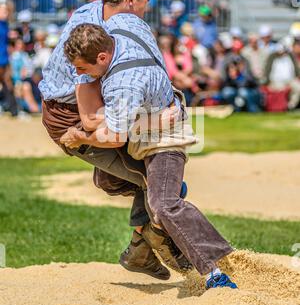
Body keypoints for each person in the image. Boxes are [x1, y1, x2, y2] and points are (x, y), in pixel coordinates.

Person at [39, 0, 191, 281]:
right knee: (160, 184)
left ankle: (139, 247)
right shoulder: (92, 36)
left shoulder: (99, 16)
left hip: (85, 111)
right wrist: (156, 119)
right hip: (71, 115)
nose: (149, 4)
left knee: (140, 177)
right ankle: (153, 249)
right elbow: (93, 118)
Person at [61, 19, 238, 290]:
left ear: (102, 56)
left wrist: (81, 137)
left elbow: (114, 136)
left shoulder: (123, 84)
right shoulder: (124, 28)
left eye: (83, 67)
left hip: (165, 140)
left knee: (163, 204)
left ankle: (216, 268)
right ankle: (149, 231)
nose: (79, 73)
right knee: (107, 180)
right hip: (149, 131)